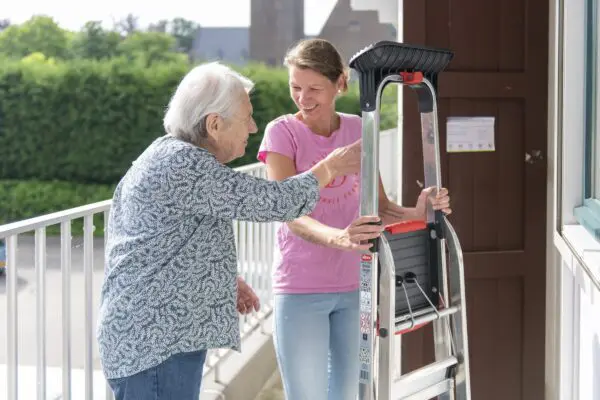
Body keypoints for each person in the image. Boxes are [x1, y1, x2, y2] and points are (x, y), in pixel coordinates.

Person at [96, 61, 369, 400]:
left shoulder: (167, 153)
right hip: (155, 346)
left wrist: (223, 280)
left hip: (153, 341)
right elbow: (274, 201)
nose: (253, 127)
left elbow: (169, 239)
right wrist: (333, 164)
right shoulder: (183, 164)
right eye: (246, 118)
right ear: (214, 124)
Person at [257, 38, 452, 400]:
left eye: (314, 88)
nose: (303, 97)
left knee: (352, 393)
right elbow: (287, 211)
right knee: (307, 395)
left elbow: (379, 206)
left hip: (356, 288)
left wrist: (420, 210)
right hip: (300, 288)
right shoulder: (281, 132)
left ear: (340, 84)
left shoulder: (359, 129)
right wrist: (338, 237)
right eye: (295, 87)